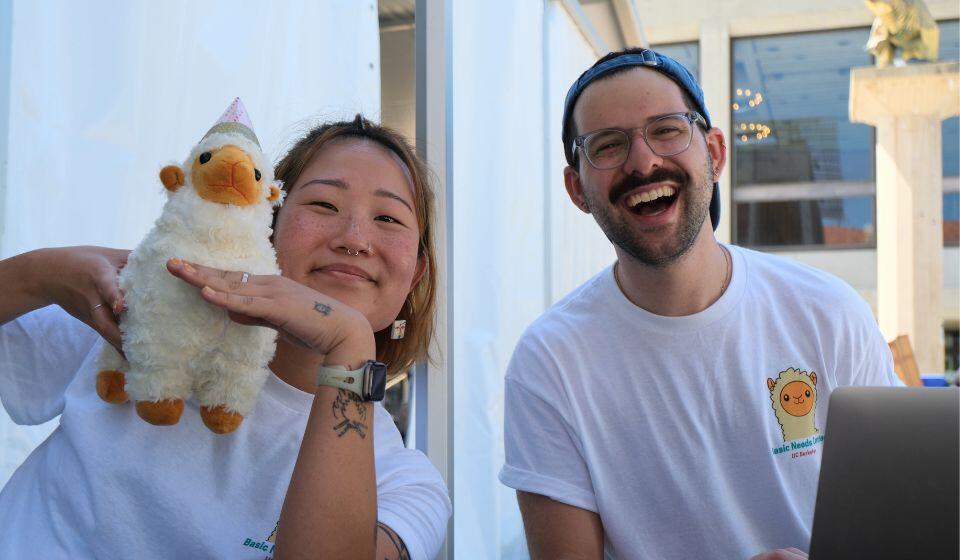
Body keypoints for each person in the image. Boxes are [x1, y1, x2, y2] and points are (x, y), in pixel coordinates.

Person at [498, 48, 901, 559]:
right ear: (577, 188)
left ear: (714, 152)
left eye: (666, 130)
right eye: (608, 145)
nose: (642, 161)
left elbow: (899, 524)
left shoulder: (828, 314)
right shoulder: (550, 362)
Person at [0, 115, 450, 559]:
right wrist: (43, 273)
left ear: (416, 275)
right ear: (266, 221)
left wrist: (350, 347)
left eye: (388, 218)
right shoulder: (139, 322)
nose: (354, 238)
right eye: (323, 205)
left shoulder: (404, 482)